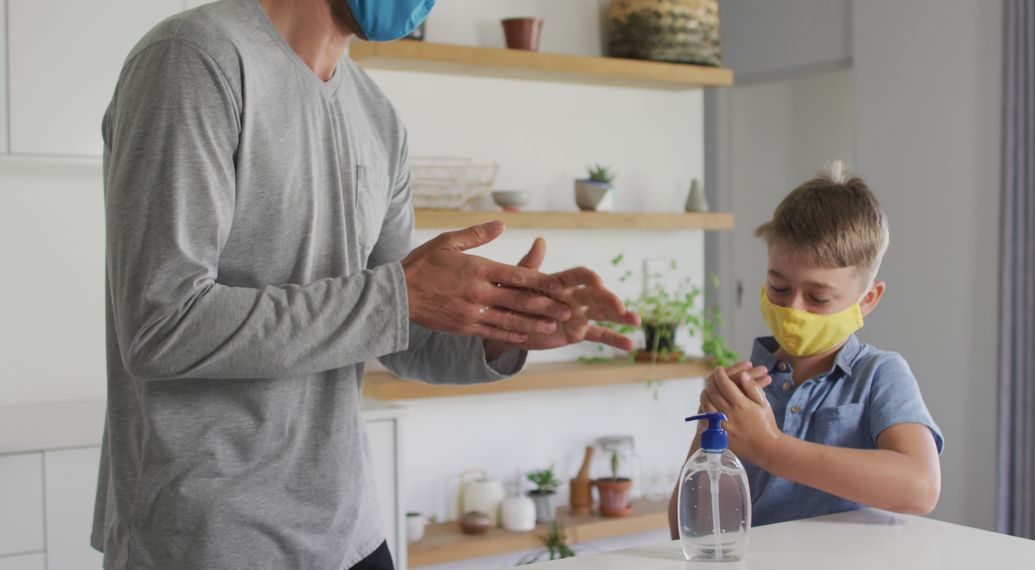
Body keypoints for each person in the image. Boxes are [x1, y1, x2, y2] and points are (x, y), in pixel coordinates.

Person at [93, 0, 640, 568]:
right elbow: (161, 325)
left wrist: (506, 328)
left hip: (347, 530)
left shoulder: (378, 118)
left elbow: (397, 329)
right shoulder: (194, 59)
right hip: (212, 539)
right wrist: (399, 296)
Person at [668, 162, 943, 534]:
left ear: (867, 299)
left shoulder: (878, 375)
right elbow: (689, 527)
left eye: (818, 297)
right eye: (779, 288)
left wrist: (770, 447)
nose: (794, 308)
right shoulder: (746, 391)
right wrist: (710, 430)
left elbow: (921, 488)